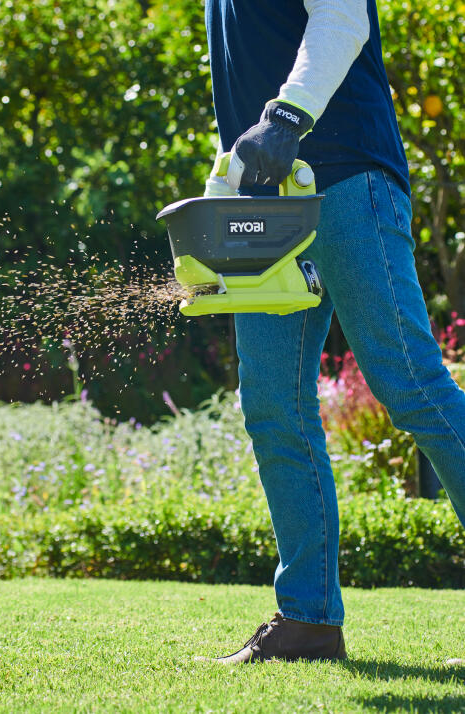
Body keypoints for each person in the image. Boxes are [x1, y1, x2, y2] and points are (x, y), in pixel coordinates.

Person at [196, 0, 465, 664]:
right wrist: (224, 175)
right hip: (269, 204)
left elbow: (343, 20)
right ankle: (308, 622)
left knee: (411, 386)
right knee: (274, 405)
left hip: (348, 176)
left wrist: (286, 117)